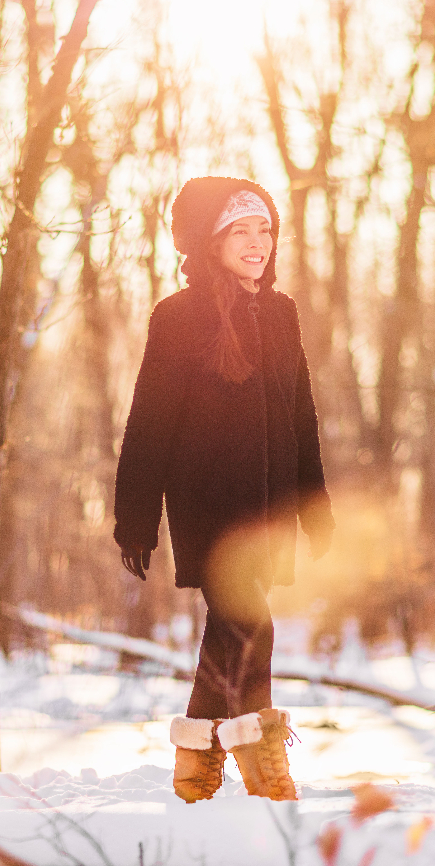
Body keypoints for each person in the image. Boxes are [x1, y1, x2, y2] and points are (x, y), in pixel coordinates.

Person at [113, 176, 334, 803]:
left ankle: (195, 768)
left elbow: (301, 418)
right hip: (205, 505)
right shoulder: (178, 318)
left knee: (234, 627)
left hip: (269, 508)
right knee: (250, 622)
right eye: (241, 229)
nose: (257, 242)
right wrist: (135, 517)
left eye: (265, 228)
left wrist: (316, 511)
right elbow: (149, 422)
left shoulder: (281, 312)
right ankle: (268, 775)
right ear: (210, 241)